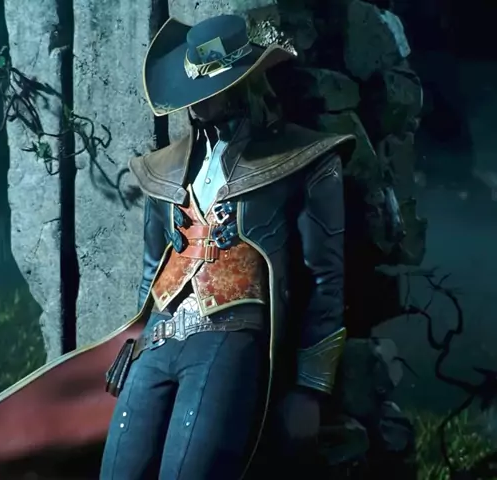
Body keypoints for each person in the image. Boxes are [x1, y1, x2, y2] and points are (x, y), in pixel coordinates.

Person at [100, 13, 356, 480]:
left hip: (230, 337)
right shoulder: (164, 168)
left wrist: (310, 386)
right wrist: (132, 342)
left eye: (210, 88)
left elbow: (325, 280)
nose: (197, 101)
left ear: (243, 82)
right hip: (157, 340)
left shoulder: (304, 160)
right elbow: (152, 270)